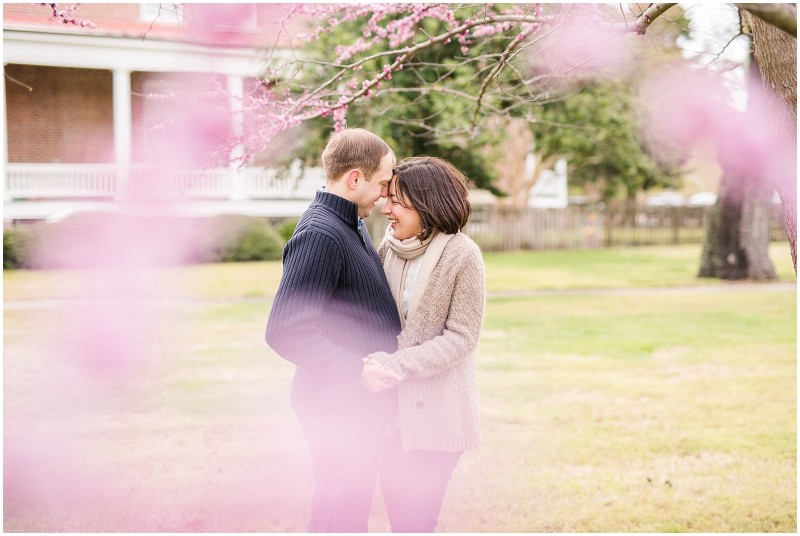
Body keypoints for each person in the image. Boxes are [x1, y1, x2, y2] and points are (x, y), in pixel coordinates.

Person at [265, 128, 402, 532]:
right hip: (338, 410)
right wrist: (356, 371)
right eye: (382, 183)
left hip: (355, 410)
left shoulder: (350, 223)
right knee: (339, 520)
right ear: (355, 179)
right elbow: (286, 328)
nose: (385, 195)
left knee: (344, 516)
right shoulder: (321, 234)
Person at [359, 156, 486, 533]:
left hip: (438, 421)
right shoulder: (386, 248)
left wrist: (396, 364)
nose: (386, 208)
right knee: (400, 520)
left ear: (426, 202)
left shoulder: (462, 254)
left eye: (396, 200)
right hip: (388, 420)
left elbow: (462, 337)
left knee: (415, 524)